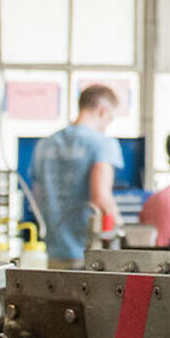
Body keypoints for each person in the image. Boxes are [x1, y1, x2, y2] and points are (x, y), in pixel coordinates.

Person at [29, 84, 122, 268]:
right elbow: (101, 197)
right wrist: (122, 227)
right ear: (103, 111)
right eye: (110, 118)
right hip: (87, 255)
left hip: (52, 253)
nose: (107, 125)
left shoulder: (45, 145)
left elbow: (37, 197)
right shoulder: (102, 144)